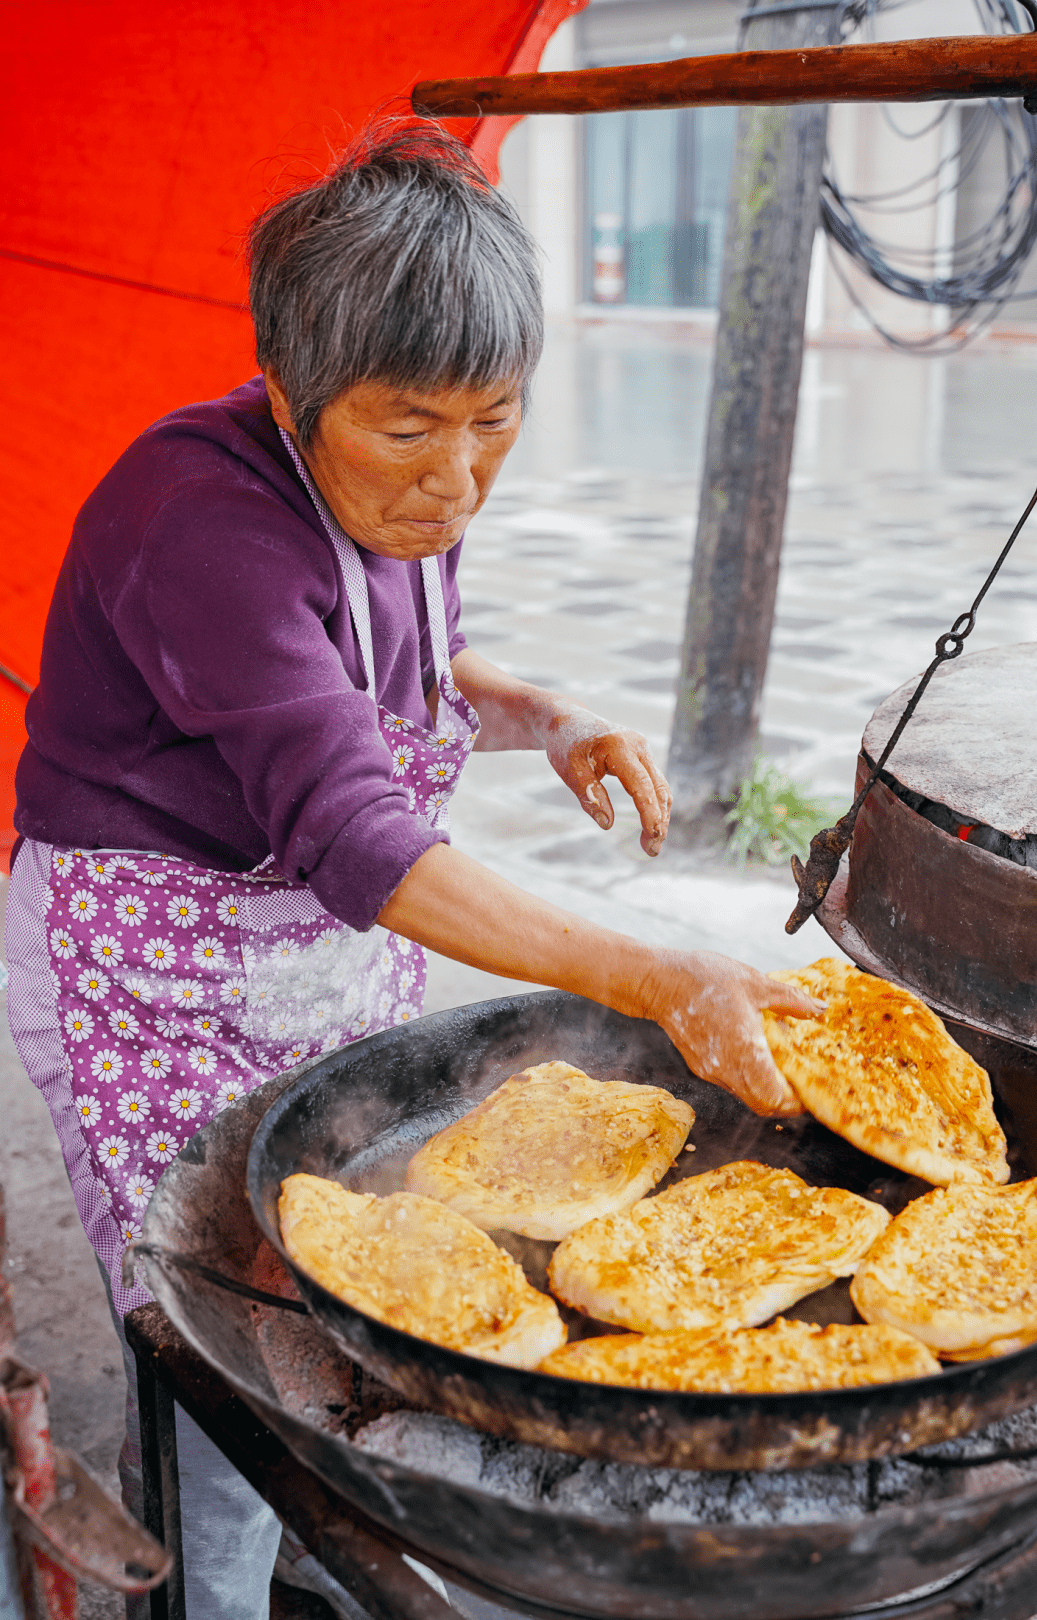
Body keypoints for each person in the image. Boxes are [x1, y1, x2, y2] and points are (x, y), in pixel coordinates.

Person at [4, 123, 817, 1620]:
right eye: (407, 429)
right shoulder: (199, 522)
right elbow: (364, 839)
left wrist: (551, 716)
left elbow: (410, 661)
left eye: (492, 422)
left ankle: (325, 1538)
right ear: (291, 396)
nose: (456, 481)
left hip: (305, 946)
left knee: (354, 1260)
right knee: (222, 1325)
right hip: (145, 967)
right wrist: (656, 966)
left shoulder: (396, 495)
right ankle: (215, 1583)